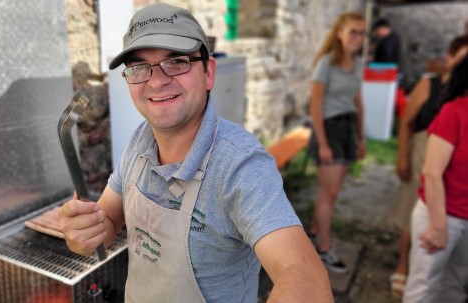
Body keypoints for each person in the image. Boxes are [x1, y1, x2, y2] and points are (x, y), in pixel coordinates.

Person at [58, 3, 332, 302]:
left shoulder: (240, 165)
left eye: (176, 61)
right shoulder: (139, 141)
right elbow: (108, 224)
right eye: (138, 67)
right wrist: (83, 233)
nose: (157, 80)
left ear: (209, 72)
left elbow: (304, 275)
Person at [390, 34, 468, 298]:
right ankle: (403, 263)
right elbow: (408, 124)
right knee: (423, 284)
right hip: (427, 166)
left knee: (454, 283)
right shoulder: (441, 96)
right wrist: (402, 156)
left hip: (459, 204)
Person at [307, 12, 366, 274]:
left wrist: (362, 137)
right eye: (353, 31)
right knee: (329, 193)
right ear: (340, 34)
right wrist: (322, 143)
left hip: (348, 129)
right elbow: (315, 105)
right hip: (329, 129)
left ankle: (314, 231)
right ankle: (324, 249)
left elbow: (357, 101)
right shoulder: (327, 64)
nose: (358, 38)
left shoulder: (358, 63)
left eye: (363, 32)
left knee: (331, 191)